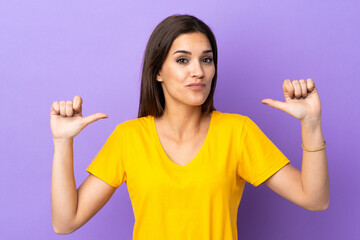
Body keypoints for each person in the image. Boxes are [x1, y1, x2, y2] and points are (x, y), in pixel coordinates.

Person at [50, 14, 329, 239]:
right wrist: (63, 142)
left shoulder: (237, 132)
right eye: (183, 60)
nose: (199, 71)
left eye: (206, 59)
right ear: (158, 71)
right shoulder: (129, 138)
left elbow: (314, 199)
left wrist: (311, 123)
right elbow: (65, 222)